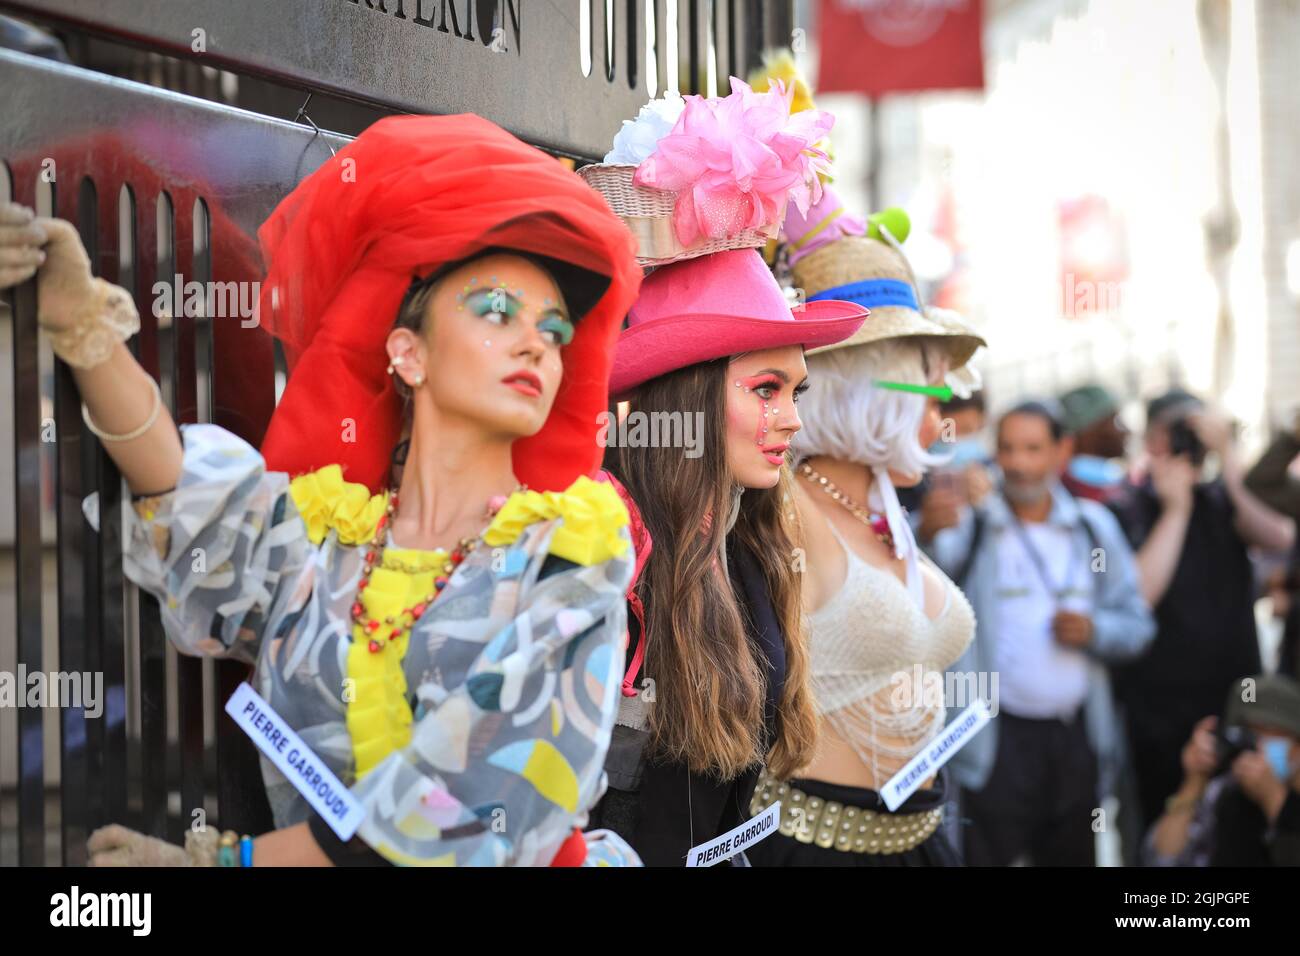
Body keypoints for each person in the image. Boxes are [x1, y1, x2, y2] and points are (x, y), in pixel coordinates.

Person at [0, 114, 648, 866]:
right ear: (408, 352)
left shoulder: (567, 556)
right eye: (497, 311)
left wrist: (223, 863)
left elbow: (458, 818)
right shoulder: (328, 543)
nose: (536, 341)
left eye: (555, 330)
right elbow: (176, 491)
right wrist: (83, 325)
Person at [579, 80, 869, 866]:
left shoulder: (749, 542)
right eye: (766, 391)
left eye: (796, 391)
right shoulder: (606, 550)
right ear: (690, 400)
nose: (794, 419)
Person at [744, 196, 984, 866]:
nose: (947, 410)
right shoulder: (785, 501)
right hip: (816, 849)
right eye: (931, 384)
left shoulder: (882, 511)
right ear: (867, 388)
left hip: (925, 842)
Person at [923, 400, 1155, 865]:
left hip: (1075, 741)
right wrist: (927, 531)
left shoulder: (1093, 529)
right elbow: (920, 587)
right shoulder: (974, 524)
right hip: (995, 745)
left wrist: (1095, 630)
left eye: (1032, 449)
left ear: (1061, 451)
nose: (1018, 464)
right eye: (1007, 449)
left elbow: (1137, 625)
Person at [1110, 389, 1296, 830]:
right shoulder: (1126, 507)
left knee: (1237, 832)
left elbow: (1279, 536)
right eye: (1172, 432)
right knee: (1163, 829)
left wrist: (1228, 456)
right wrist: (1175, 509)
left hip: (1234, 702)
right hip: (1158, 716)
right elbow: (1137, 594)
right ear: (1150, 439)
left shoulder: (1221, 497)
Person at [1145, 674, 1300, 866]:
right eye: (1250, 735)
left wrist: (1275, 800)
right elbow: (1162, 860)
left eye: (1270, 735)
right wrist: (1194, 782)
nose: (1258, 748)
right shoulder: (1223, 792)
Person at [1058, 383, 1130, 504]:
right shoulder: (1069, 496)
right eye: (1116, 422)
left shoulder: (1115, 483)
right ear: (1087, 433)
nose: (1126, 431)